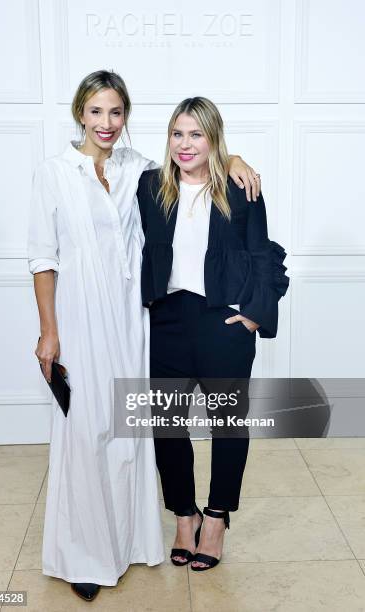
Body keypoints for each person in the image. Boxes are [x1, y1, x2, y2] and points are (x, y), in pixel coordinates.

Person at [27, 70, 262, 601]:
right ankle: (82, 553)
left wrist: (236, 159)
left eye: (116, 113)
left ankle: (133, 541)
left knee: (133, 434)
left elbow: (199, 158)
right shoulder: (54, 173)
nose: (106, 123)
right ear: (79, 114)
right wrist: (48, 332)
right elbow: (43, 257)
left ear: (126, 117)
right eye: (95, 112)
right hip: (82, 315)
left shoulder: (141, 171)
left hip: (136, 318)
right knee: (86, 430)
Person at [137, 97, 289, 571]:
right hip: (167, 318)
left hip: (222, 321)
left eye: (196, 134)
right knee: (167, 424)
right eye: (177, 134)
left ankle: (217, 517)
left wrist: (254, 314)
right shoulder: (150, 185)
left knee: (227, 424)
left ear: (214, 138)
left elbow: (264, 254)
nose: (185, 144)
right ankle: (185, 516)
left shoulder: (239, 189)